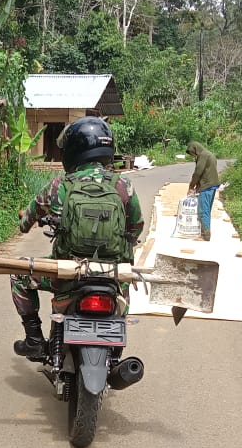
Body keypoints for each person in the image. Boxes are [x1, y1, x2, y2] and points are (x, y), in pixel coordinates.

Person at [11, 117, 144, 358]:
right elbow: (136, 227)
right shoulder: (123, 185)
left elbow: (27, 220)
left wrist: (25, 223)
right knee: (123, 288)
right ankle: (115, 349)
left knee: (19, 275)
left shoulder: (59, 185)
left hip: (66, 275)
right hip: (113, 275)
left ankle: (34, 339)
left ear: (73, 151)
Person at [186, 141, 220, 241]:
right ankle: (206, 232)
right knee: (207, 210)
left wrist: (191, 185)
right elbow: (207, 171)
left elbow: (198, 172)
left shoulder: (203, 156)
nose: (193, 155)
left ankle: (206, 235)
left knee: (203, 211)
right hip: (212, 185)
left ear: (195, 149)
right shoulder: (209, 154)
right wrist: (198, 184)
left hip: (206, 186)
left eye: (192, 153)